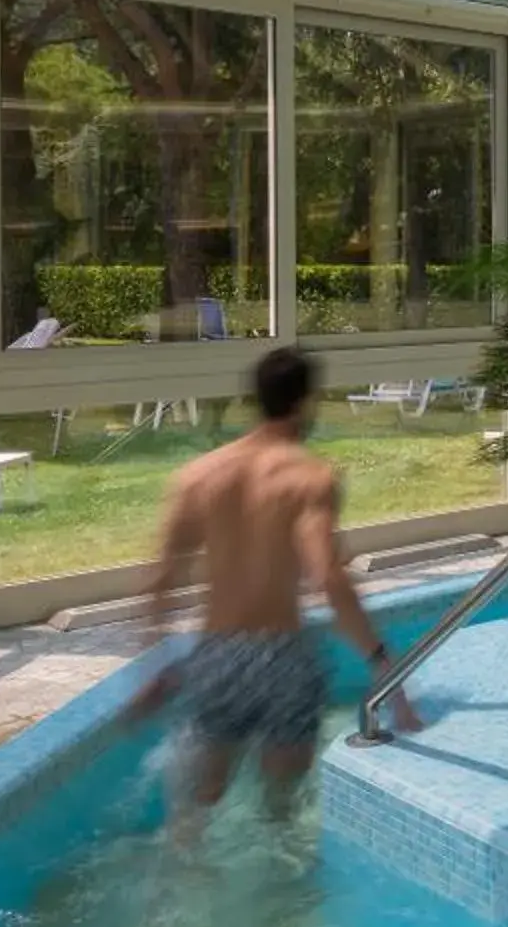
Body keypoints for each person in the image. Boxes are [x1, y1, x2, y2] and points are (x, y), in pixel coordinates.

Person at [135, 343, 418, 829]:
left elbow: (162, 577)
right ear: (306, 402)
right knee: (281, 811)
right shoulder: (309, 478)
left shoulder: (198, 477)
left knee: (197, 808)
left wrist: (155, 667)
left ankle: (184, 881)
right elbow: (328, 577)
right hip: (283, 657)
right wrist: (381, 663)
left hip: (218, 654)